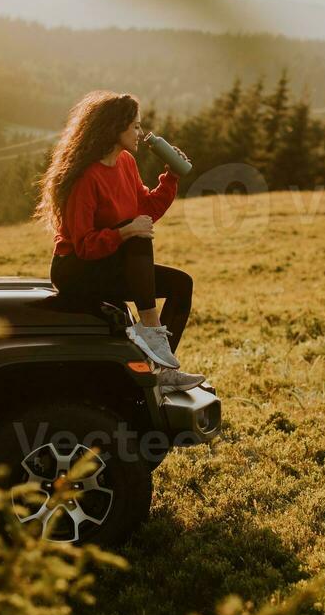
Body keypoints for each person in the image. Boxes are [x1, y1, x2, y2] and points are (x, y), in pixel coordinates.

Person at [33, 90, 205, 392]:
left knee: (181, 284)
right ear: (115, 128)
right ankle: (151, 332)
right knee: (134, 231)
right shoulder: (85, 178)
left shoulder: (125, 162)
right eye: (135, 126)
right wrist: (125, 232)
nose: (141, 133)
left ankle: (163, 372)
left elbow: (146, 209)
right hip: (76, 269)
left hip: (111, 261)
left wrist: (171, 176)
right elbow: (84, 245)